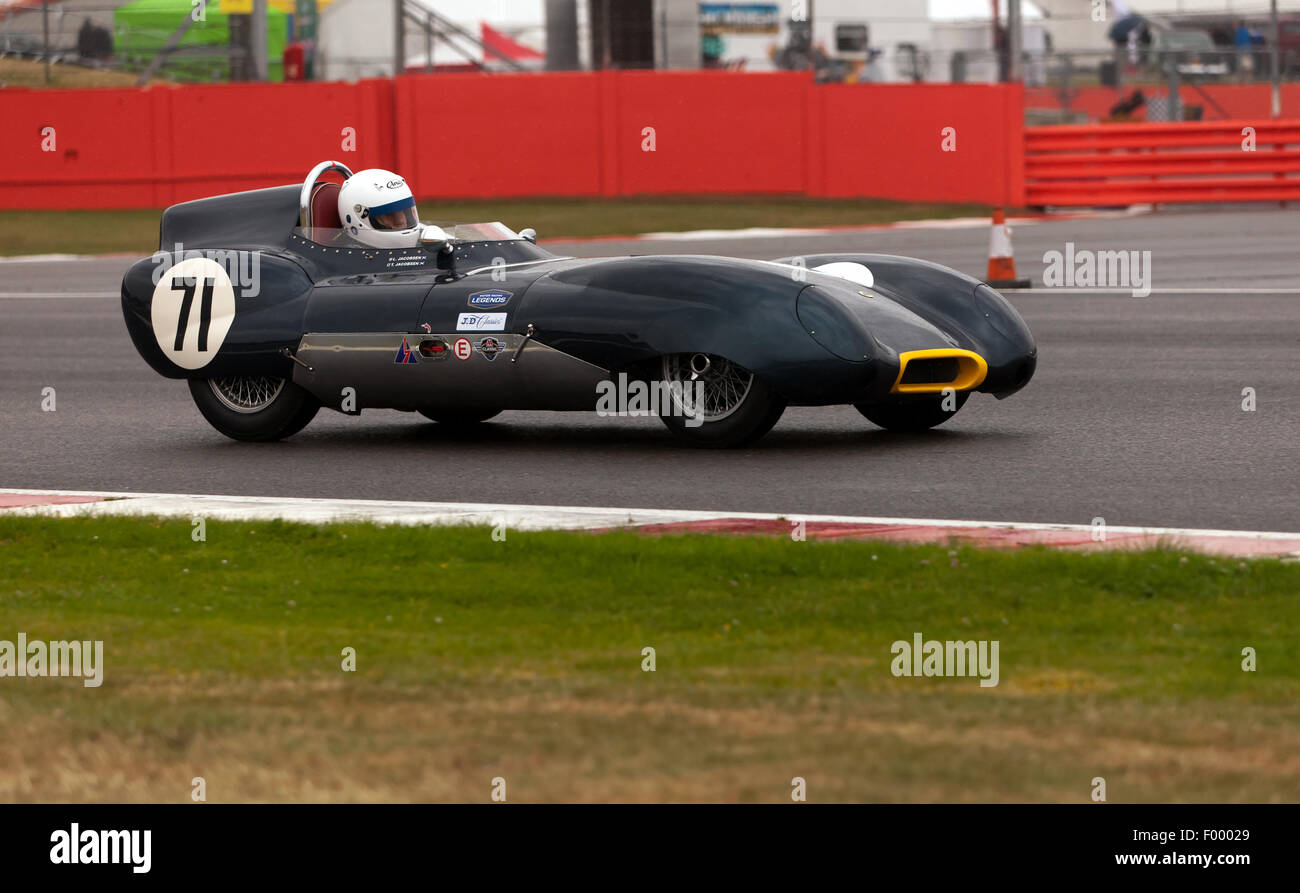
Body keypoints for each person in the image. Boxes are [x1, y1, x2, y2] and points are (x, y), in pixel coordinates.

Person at [336, 169, 424, 249]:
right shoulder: (346, 261)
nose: (401, 221)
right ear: (356, 219)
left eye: (406, 212)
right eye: (389, 215)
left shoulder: (427, 238)